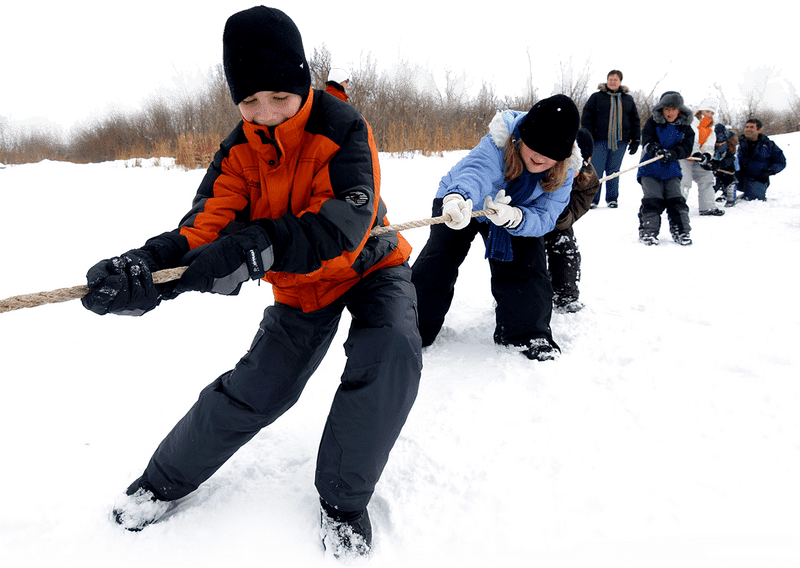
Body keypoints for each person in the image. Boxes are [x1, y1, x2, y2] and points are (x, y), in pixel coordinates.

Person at [80, 6, 421, 559]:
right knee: (257, 388)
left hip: (370, 267)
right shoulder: (239, 150)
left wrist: (261, 243)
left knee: (390, 353)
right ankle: (161, 483)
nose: (265, 114)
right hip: (301, 288)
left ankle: (343, 501)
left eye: (279, 98)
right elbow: (206, 227)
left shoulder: (343, 127)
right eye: (249, 102)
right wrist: (148, 269)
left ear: (303, 81)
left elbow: (343, 223)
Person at [411, 95, 581, 361]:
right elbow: (475, 173)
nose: (540, 157)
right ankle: (411, 328)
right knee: (439, 260)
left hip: (515, 213)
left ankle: (527, 332)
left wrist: (516, 218)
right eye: (534, 146)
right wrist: (457, 198)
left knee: (528, 265)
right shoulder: (497, 143)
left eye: (551, 154)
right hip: (462, 202)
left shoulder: (566, 171)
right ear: (521, 138)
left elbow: (547, 216)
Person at [543, 128, 600, 313]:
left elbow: (575, 212)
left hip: (558, 221)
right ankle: (517, 294)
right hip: (527, 217)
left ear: (588, 160)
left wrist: (560, 213)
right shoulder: (544, 165)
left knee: (565, 246)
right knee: (527, 255)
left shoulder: (589, 182)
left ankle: (565, 295)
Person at [636, 91, 695, 246]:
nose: (670, 112)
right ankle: (648, 232)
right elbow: (647, 139)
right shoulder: (652, 123)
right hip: (650, 168)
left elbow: (686, 148)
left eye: (673, 109)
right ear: (661, 109)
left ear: (680, 110)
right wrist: (656, 149)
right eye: (666, 109)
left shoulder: (686, 128)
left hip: (672, 169)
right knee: (653, 199)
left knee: (676, 200)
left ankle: (681, 231)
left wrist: (674, 153)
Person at [580, 69, 641, 209]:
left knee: (614, 170)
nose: (613, 82)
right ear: (607, 80)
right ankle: (593, 199)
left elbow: (635, 120)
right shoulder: (596, 97)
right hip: (599, 140)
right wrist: (588, 136)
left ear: (620, 81)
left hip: (620, 141)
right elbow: (586, 117)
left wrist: (636, 140)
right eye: (610, 79)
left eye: (616, 79)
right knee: (597, 170)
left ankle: (612, 198)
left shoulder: (628, 99)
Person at [679, 98, 724, 216]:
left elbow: (709, 144)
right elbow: (691, 140)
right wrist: (696, 153)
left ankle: (708, 207)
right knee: (684, 181)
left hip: (697, 158)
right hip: (684, 156)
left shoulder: (710, 128)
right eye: (707, 111)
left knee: (707, 178)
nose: (709, 115)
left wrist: (708, 156)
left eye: (711, 113)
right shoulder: (692, 122)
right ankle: (678, 208)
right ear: (700, 111)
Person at [736, 118, 786, 201]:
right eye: (747, 127)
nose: (748, 129)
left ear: (759, 130)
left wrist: (770, 171)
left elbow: (781, 162)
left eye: (752, 127)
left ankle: (751, 192)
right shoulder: (737, 142)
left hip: (757, 177)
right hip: (737, 176)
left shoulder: (769, 145)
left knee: (754, 199)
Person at [712, 124, 740, 207]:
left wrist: (720, 164)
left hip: (731, 166)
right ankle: (723, 192)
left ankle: (731, 197)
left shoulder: (732, 144)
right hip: (718, 166)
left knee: (730, 181)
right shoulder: (712, 144)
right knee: (719, 180)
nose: (720, 144)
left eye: (722, 143)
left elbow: (730, 158)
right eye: (718, 143)